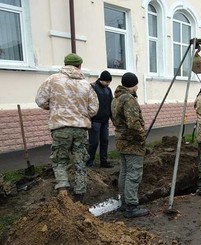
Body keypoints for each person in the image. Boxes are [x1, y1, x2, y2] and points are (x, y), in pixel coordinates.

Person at [35, 53, 99, 200]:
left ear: (65, 64)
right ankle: (79, 194)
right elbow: (93, 109)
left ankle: (63, 191)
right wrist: (81, 113)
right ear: (79, 66)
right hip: (80, 128)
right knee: (80, 160)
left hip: (60, 127)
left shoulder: (52, 80)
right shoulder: (86, 84)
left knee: (59, 160)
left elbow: (40, 100)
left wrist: (55, 108)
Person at [111, 72, 149, 218]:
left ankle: (124, 202)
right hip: (132, 142)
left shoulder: (116, 99)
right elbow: (133, 123)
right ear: (133, 85)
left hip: (121, 140)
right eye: (137, 85)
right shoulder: (129, 100)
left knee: (125, 171)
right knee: (134, 173)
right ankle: (131, 206)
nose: (138, 87)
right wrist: (141, 137)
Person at [87, 70, 113, 168]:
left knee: (105, 140)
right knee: (94, 142)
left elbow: (111, 104)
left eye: (109, 82)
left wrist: (112, 117)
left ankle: (104, 161)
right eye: (106, 82)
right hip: (95, 120)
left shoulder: (108, 90)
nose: (108, 84)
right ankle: (89, 162)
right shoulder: (93, 88)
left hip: (105, 120)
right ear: (101, 80)